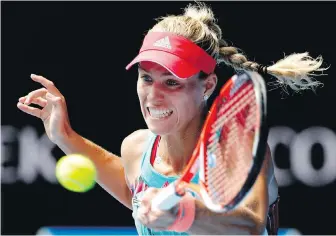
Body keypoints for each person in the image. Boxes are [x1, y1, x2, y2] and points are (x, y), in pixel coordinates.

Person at [17, 2, 327, 235]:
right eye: (147, 79)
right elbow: (133, 192)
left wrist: (186, 213)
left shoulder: (236, 148)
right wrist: (65, 136)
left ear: (206, 86)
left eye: (172, 82)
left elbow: (249, 226)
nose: (153, 96)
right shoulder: (136, 149)